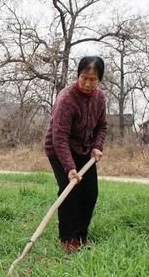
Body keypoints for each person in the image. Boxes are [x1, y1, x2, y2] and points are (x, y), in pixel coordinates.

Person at [44, 56, 108, 253]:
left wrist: (97, 146)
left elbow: (102, 126)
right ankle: (67, 238)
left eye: (93, 79)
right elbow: (60, 137)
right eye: (84, 78)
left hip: (85, 150)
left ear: (99, 79)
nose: (88, 83)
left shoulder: (100, 98)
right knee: (70, 192)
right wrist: (70, 169)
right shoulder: (67, 98)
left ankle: (81, 236)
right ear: (78, 75)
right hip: (60, 149)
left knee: (90, 193)